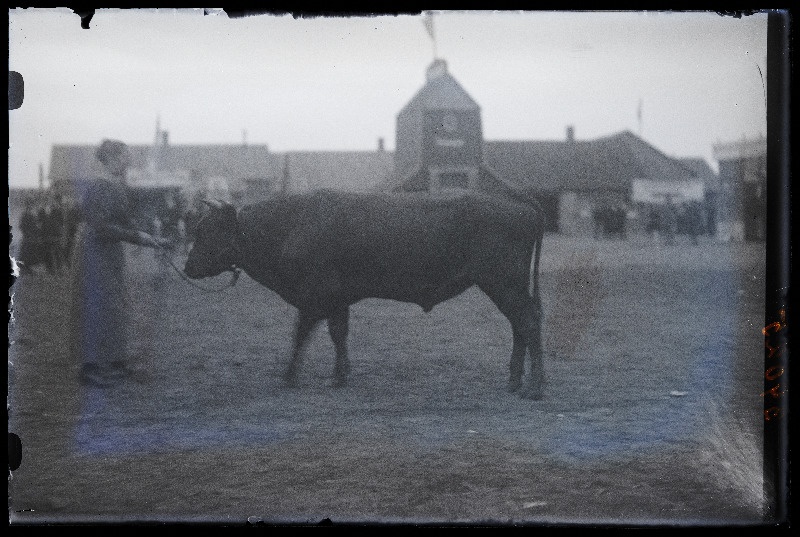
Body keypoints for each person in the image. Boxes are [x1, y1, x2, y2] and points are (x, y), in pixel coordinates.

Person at [70, 139, 167, 387]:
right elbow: (101, 227)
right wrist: (138, 237)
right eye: (126, 156)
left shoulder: (114, 184)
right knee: (98, 305)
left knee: (114, 304)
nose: (130, 161)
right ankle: (90, 367)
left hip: (108, 250)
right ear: (113, 158)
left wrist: (150, 238)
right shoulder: (101, 185)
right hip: (95, 250)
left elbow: (123, 221)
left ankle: (114, 362)